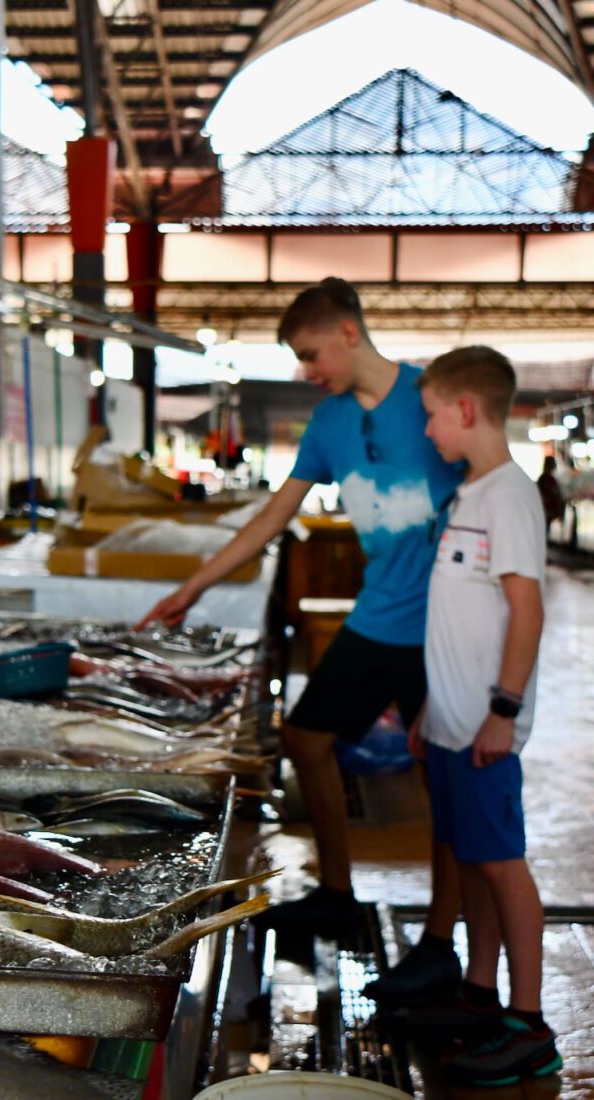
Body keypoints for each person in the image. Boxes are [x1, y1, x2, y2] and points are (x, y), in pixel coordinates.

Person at [135, 277, 463, 1000]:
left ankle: (441, 941)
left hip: (445, 629)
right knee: (307, 735)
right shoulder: (328, 425)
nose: (307, 371)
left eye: (311, 355)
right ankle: (339, 890)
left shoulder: (433, 396)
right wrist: (194, 585)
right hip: (378, 617)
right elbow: (269, 519)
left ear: (349, 332)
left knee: (446, 782)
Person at [406, 346, 560, 1086]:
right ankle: (479, 992)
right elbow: (460, 618)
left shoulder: (509, 495)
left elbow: (525, 612)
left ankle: (528, 1025)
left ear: (466, 410)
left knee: (502, 866)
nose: (428, 429)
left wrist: (502, 711)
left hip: (484, 729)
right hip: (451, 721)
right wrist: (435, 708)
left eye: (432, 414)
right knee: (472, 860)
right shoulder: (468, 494)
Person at [536, 455, 564, 539]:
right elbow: (556, 494)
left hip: (544, 509)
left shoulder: (543, 478)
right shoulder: (549, 479)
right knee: (544, 532)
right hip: (547, 510)